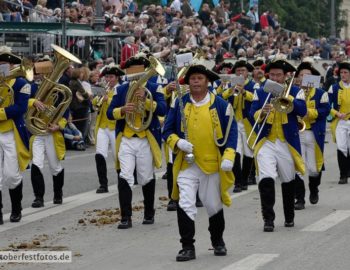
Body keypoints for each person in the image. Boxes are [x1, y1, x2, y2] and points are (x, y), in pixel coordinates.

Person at [163, 64, 237, 261]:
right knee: (185, 203)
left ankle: (218, 241)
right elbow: (167, 130)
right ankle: (187, 246)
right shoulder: (179, 103)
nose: (195, 82)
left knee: (213, 205)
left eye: (199, 78)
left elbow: (232, 133)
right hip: (186, 164)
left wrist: (228, 157)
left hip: (211, 164)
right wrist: (177, 141)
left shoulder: (221, 105)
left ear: (207, 82)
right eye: (192, 78)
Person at [107, 55, 167, 229]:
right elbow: (110, 113)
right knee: (124, 175)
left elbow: (163, 109)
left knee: (146, 177)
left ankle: (149, 212)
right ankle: (125, 217)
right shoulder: (121, 89)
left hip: (146, 139)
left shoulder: (155, 88)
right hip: (126, 138)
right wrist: (122, 110)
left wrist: (146, 100)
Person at [250, 59, 307, 232]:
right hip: (266, 141)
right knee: (266, 178)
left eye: (278, 75)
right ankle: (268, 219)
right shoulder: (260, 92)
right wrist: (262, 112)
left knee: (288, 180)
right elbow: (252, 112)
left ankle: (289, 216)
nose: (275, 78)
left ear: (285, 76)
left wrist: (287, 96)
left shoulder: (296, 91)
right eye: (272, 75)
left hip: (286, 142)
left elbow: (302, 111)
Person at [0, 47, 31, 224]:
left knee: (12, 175)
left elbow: (21, 108)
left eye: (4, 64)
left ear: (12, 65)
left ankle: (16, 209)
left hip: (12, 133)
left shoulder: (22, 84)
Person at [293, 62, 330, 210]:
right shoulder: (293, 92)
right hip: (297, 134)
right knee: (298, 167)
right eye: (302, 75)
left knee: (314, 169)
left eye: (307, 75)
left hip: (314, 133)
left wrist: (310, 113)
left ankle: (314, 189)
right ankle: (299, 198)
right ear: (298, 78)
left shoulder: (321, 93)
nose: (304, 77)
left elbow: (325, 111)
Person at [28, 81, 69, 208]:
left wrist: (59, 126)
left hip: (52, 133)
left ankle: (58, 194)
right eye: (39, 73)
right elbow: (22, 103)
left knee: (55, 167)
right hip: (37, 133)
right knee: (36, 163)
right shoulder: (32, 87)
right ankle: (38, 197)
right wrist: (32, 102)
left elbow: (65, 113)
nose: (41, 76)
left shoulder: (59, 91)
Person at [221, 60, 255, 192]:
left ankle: (245, 179)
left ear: (247, 73)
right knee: (236, 151)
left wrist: (244, 92)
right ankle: (238, 182)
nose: (240, 73)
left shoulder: (253, 85)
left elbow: (255, 98)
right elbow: (222, 97)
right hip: (234, 122)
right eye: (238, 71)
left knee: (248, 152)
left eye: (243, 71)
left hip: (247, 122)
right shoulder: (230, 85)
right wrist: (231, 90)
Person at [93, 65, 125, 193]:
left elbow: (123, 104)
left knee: (117, 156)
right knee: (99, 154)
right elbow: (95, 103)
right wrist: (96, 98)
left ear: (117, 78)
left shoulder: (121, 89)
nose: (108, 79)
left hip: (115, 126)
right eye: (107, 77)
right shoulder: (103, 88)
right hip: (102, 125)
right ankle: (103, 184)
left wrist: (109, 99)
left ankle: (122, 181)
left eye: (111, 77)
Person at [328, 61, 350, 184]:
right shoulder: (334, 87)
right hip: (340, 122)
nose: (343, 74)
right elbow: (326, 105)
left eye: (345, 72)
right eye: (341, 72)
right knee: (341, 148)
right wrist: (336, 113)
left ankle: (348, 170)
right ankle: (343, 175)